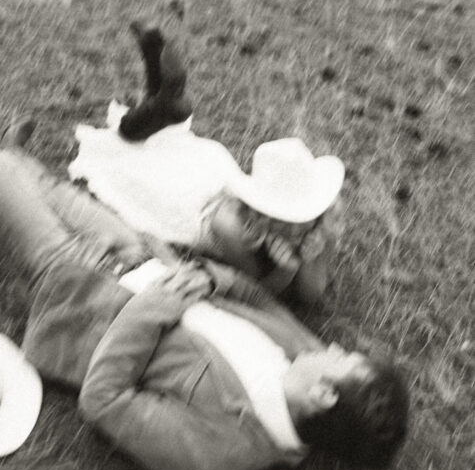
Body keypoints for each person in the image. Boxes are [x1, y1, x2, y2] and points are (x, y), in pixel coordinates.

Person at [0, 128, 408, 470]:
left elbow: (104, 399)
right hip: (138, 254)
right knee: (42, 185)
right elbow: (258, 297)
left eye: (343, 360)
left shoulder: (215, 454)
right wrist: (208, 275)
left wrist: (156, 305)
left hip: (81, 289)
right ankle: (17, 177)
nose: (333, 346)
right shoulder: (306, 355)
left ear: (322, 395)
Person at [69, 25, 345, 307]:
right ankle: (159, 95)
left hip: (212, 171)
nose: (304, 227)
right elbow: (254, 292)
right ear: (272, 214)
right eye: (297, 219)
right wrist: (286, 272)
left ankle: (161, 97)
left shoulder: (321, 214)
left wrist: (322, 246)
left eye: (307, 216)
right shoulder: (234, 227)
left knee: (151, 142)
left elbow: (314, 294)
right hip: (185, 197)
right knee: (128, 153)